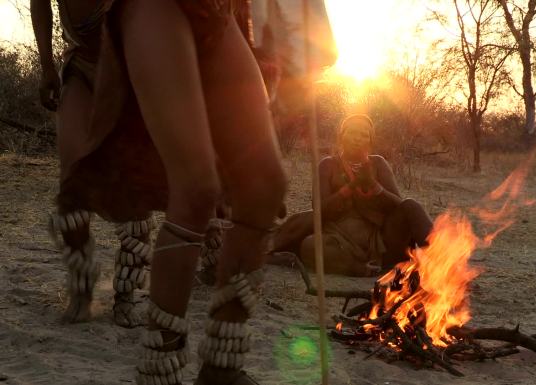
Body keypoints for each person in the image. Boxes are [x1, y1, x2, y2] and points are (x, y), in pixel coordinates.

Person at [55, 0, 333, 383]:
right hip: (154, 8)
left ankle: (221, 368)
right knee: (196, 187)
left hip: (217, 10)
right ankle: (159, 371)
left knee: (264, 187)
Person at [31, 0, 156, 328]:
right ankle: (82, 288)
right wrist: (46, 65)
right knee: (72, 180)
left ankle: (126, 297)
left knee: (133, 187)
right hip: (83, 63)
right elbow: (40, 3)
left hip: (132, 64)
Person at [271, 114, 434, 277]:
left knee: (412, 205)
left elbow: (399, 206)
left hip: (381, 245)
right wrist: (349, 188)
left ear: (370, 141)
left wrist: (375, 187)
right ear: (341, 135)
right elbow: (319, 210)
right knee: (310, 246)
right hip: (340, 243)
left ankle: (441, 262)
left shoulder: (378, 163)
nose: (358, 138)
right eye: (353, 132)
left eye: (364, 135)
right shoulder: (328, 165)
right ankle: (359, 269)